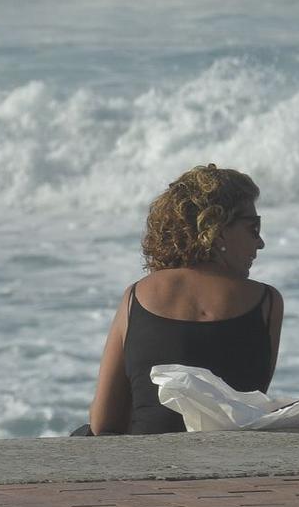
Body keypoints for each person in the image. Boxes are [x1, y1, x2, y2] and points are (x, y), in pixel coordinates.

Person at [83, 164, 282, 435]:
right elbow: (247, 411)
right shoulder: (266, 302)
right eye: (253, 228)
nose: (260, 243)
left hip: (146, 462)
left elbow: (104, 424)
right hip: (230, 463)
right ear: (219, 230)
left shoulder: (136, 296)